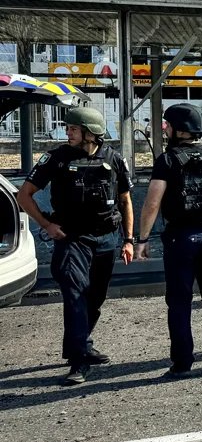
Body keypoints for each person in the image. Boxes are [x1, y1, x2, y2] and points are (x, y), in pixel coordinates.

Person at [16, 106, 134, 386]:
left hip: (106, 239)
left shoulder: (113, 159)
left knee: (95, 298)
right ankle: (78, 360)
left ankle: (81, 344)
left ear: (90, 134)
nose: (67, 132)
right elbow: (25, 195)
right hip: (72, 239)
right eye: (68, 129)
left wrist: (129, 240)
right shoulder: (56, 158)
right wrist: (46, 225)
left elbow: (126, 200)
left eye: (73, 129)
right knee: (76, 295)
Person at [134, 104, 202, 377]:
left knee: (180, 302)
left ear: (179, 129)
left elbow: (151, 203)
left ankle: (182, 363)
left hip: (180, 239)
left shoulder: (168, 160)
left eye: (167, 124)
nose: (164, 128)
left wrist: (142, 239)